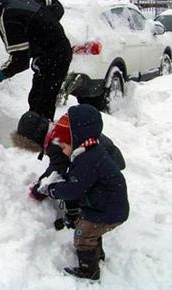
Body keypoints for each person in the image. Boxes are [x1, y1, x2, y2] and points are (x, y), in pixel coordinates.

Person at [35, 104, 129, 280]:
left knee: (82, 236)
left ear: (78, 135)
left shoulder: (88, 159)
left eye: (65, 141)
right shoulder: (89, 150)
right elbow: (77, 181)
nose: (62, 146)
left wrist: (52, 190)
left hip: (108, 210)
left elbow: (74, 189)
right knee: (92, 229)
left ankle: (89, 270)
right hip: (106, 205)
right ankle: (97, 254)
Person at [0, 0, 72, 121]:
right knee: (39, 98)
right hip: (58, 52)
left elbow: (20, 61)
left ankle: (39, 136)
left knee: (41, 103)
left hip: (53, 57)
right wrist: (44, 28)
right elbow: (57, 6)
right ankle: (39, 131)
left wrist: (1, 74)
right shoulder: (24, 1)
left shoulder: (8, 19)